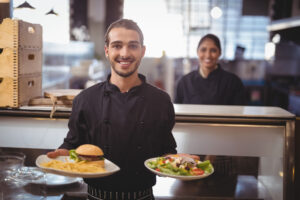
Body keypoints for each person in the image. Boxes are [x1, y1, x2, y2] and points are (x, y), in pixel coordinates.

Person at [47, 19, 197, 200]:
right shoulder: (85, 99)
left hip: (143, 196)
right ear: (107, 50)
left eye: (133, 46)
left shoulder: (161, 101)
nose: (125, 53)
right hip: (96, 197)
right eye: (117, 46)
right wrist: (62, 154)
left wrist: (176, 161)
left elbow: (165, 150)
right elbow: (73, 144)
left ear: (142, 51)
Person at [175, 33, 245, 105]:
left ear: (220, 53)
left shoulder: (233, 83)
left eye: (213, 50)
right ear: (197, 52)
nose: (208, 55)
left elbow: (239, 113)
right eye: (203, 50)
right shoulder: (185, 82)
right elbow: (177, 112)